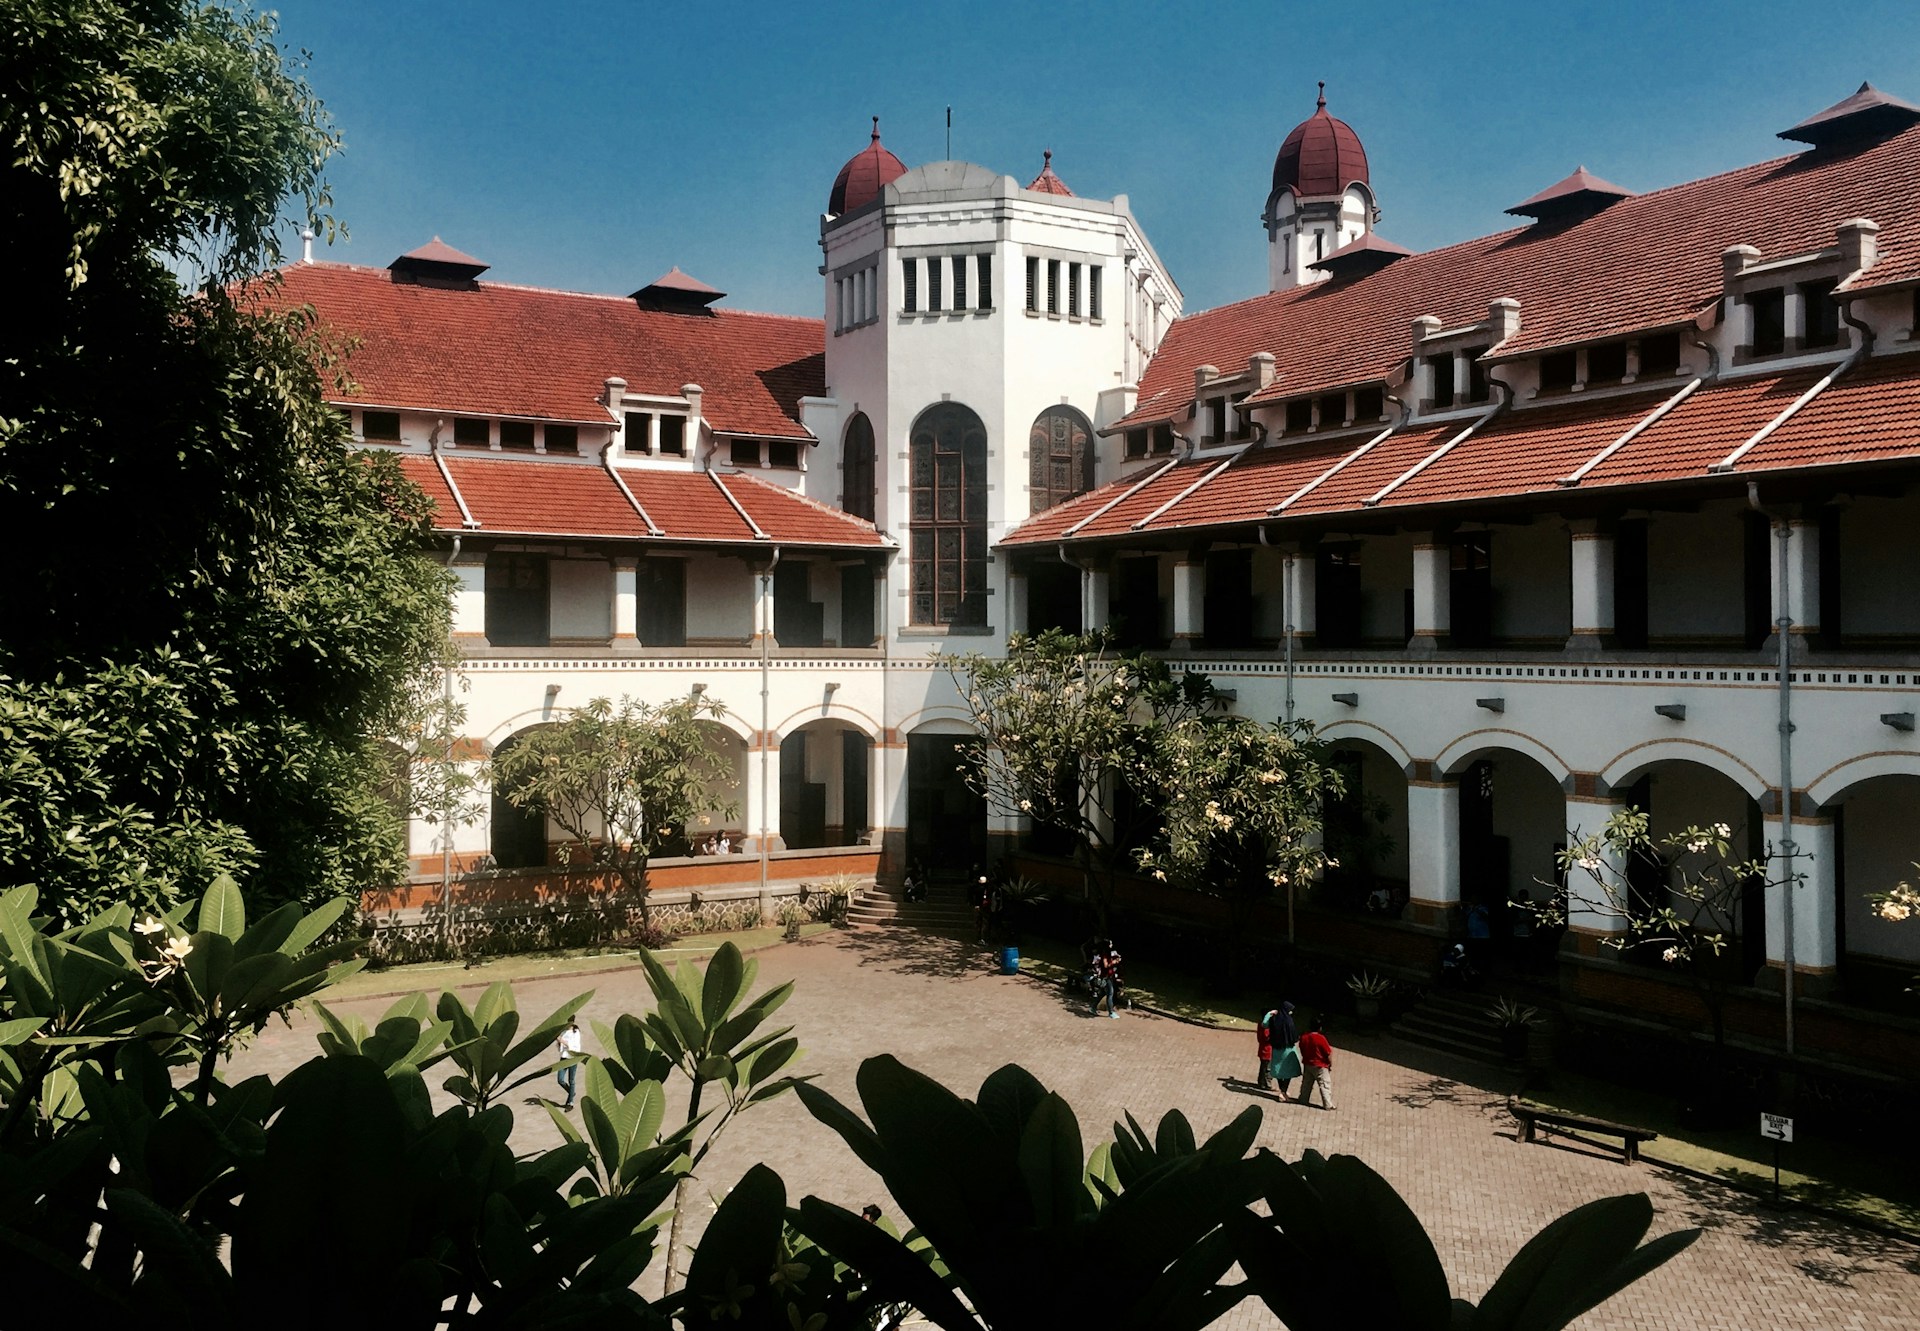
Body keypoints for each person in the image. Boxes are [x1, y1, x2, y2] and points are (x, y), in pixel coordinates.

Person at [1260, 1001, 1301, 1099]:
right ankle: (1283, 1091)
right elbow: (1294, 1036)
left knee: (1278, 1071)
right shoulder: (1289, 1021)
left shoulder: (1274, 1020)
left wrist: (1269, 1014)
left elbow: (1264, 1024)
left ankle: (1282, 1091)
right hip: (1288, 1049)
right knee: (1288, 1071)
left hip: (1276, 1049)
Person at [1298, 1016, 1335, 1110]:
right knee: (1324, 1085)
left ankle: (1303, 1099)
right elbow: (1328, 1053)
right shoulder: (1321, 1038)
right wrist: (1330, 1064)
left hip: (1308, 1063)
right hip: (1320, 1065)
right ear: (1320, 1027)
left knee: (1306, 1084)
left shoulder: (1304, 1037)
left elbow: (1301, 1049)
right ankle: (1328, 1104)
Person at [555, 1018, 584, 1110]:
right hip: (564, 1057)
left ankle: (570, 1102)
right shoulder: (563, 1032)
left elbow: (574, 1046)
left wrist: (562, 1041)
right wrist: (559, 1042)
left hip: (572, 1058)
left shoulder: (576, 1032)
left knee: (571, 1080)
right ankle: (571, 1092)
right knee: (560, 1079)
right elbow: (560, 1046)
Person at [1090, 939, 1122, 1018]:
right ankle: (1111, 1012)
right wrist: (1114, 962)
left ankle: (1093, 1007)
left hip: (1109, 976)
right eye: (1110, 944)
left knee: (1103, 993)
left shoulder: (1109, 953)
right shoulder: (1104, 955)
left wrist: (1117, 959)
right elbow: (1105, 965)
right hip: (1105, 977)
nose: (1112, 945)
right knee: (1110, 993)